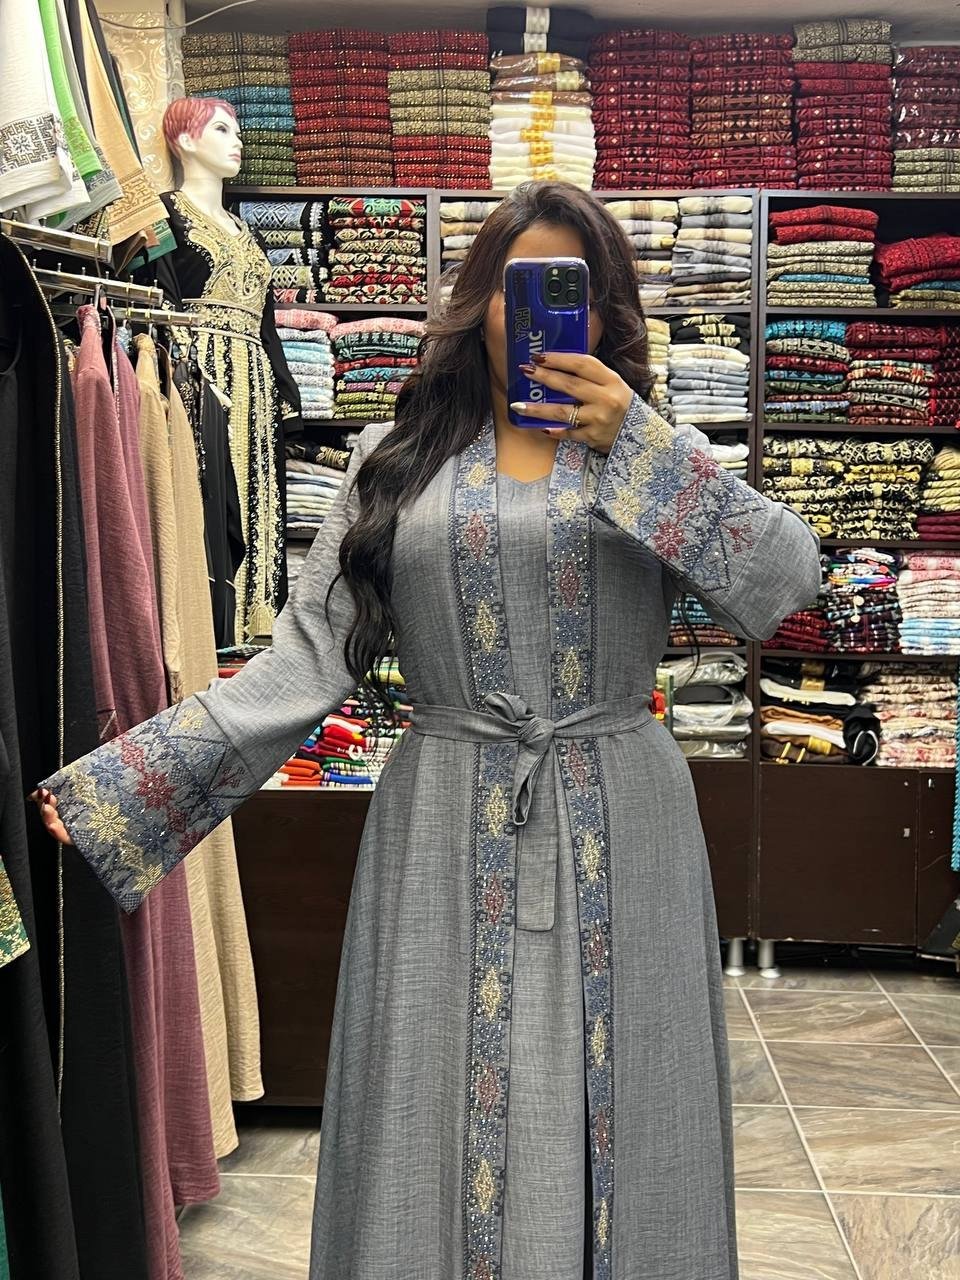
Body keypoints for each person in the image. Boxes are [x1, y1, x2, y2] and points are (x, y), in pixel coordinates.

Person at [34, 181, 821, 1280]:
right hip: (445, 820)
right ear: (477, 302)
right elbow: (306, 660)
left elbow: (786, 583)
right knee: (434, 1092)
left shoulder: (654, 454)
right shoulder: (393, 460)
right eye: (515, 285)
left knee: (631, 1092)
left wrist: (640, 445)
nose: (538, 312)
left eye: (571, 289)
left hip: (627, 819)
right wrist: (123, 790)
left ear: (605, 312)